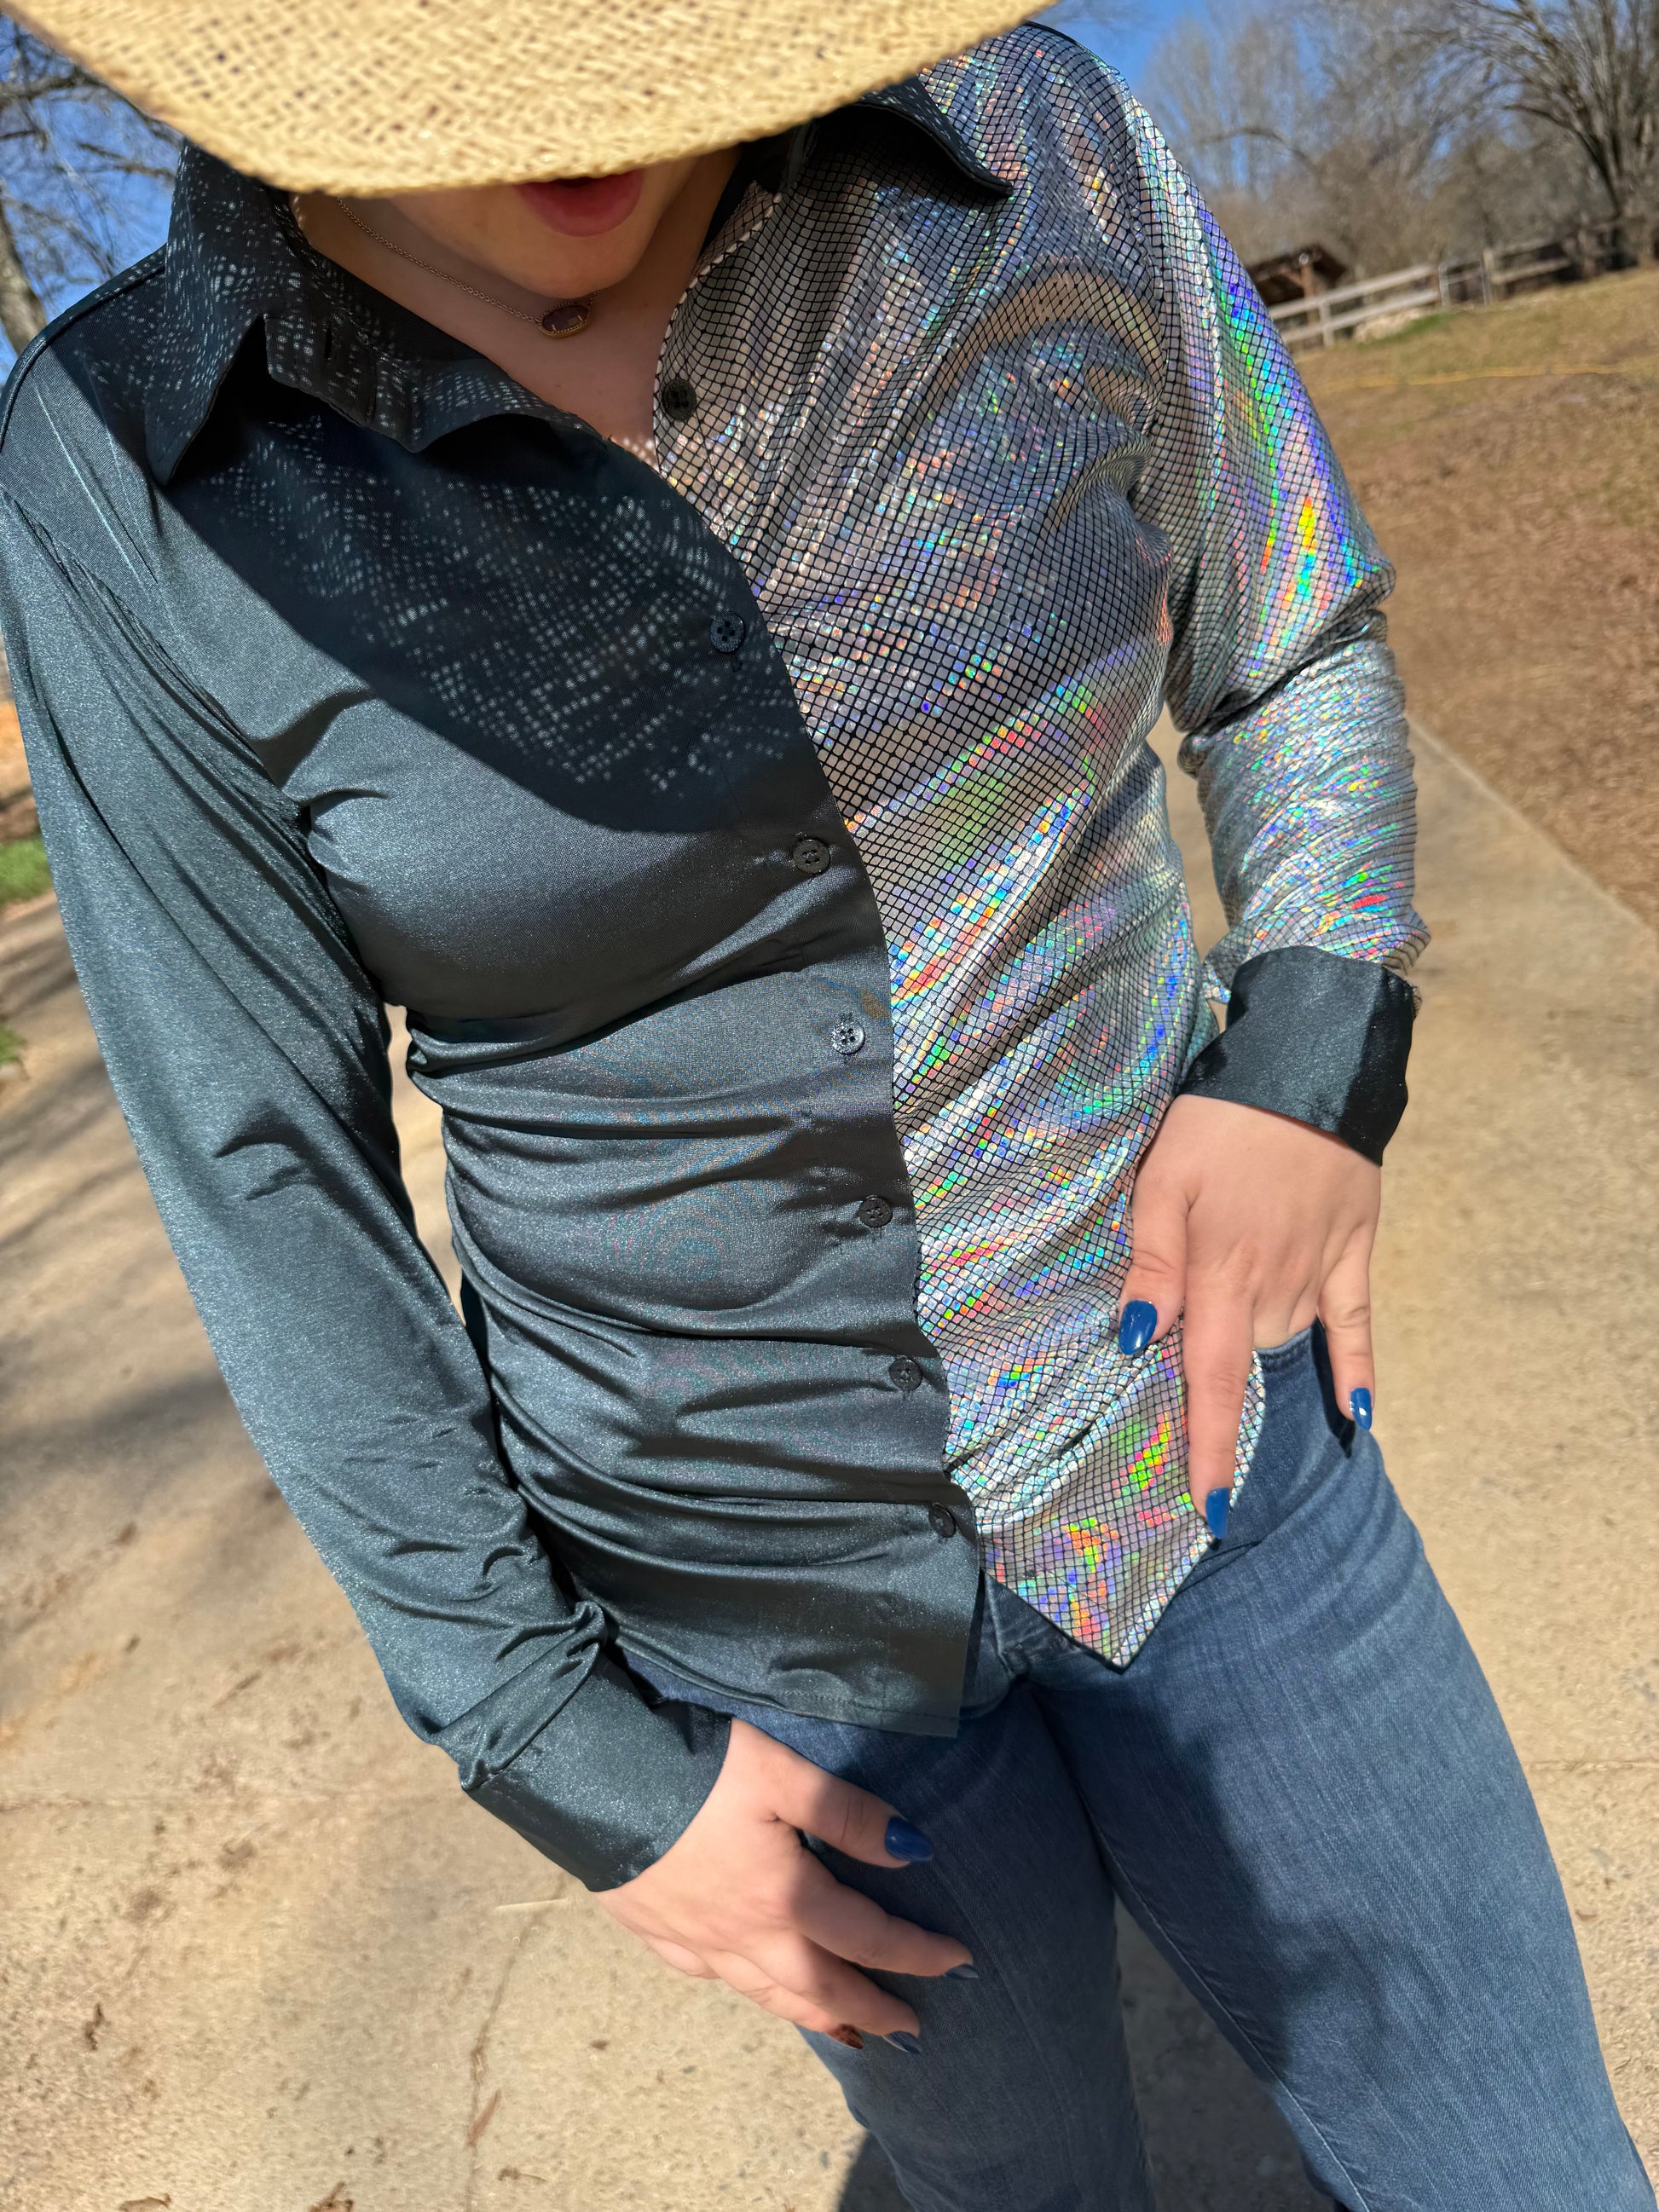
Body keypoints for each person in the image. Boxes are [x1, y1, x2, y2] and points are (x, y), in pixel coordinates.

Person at [1, 3, 1649, 2206]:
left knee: (1527, 2170)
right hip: (751, 1613)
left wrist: (1313, 1054)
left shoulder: (1038, 151)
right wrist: (559, 1748)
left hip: (1204, 1441)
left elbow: (1284, 629)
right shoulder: (124, 468)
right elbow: (266, 1169)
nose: (576, 111)